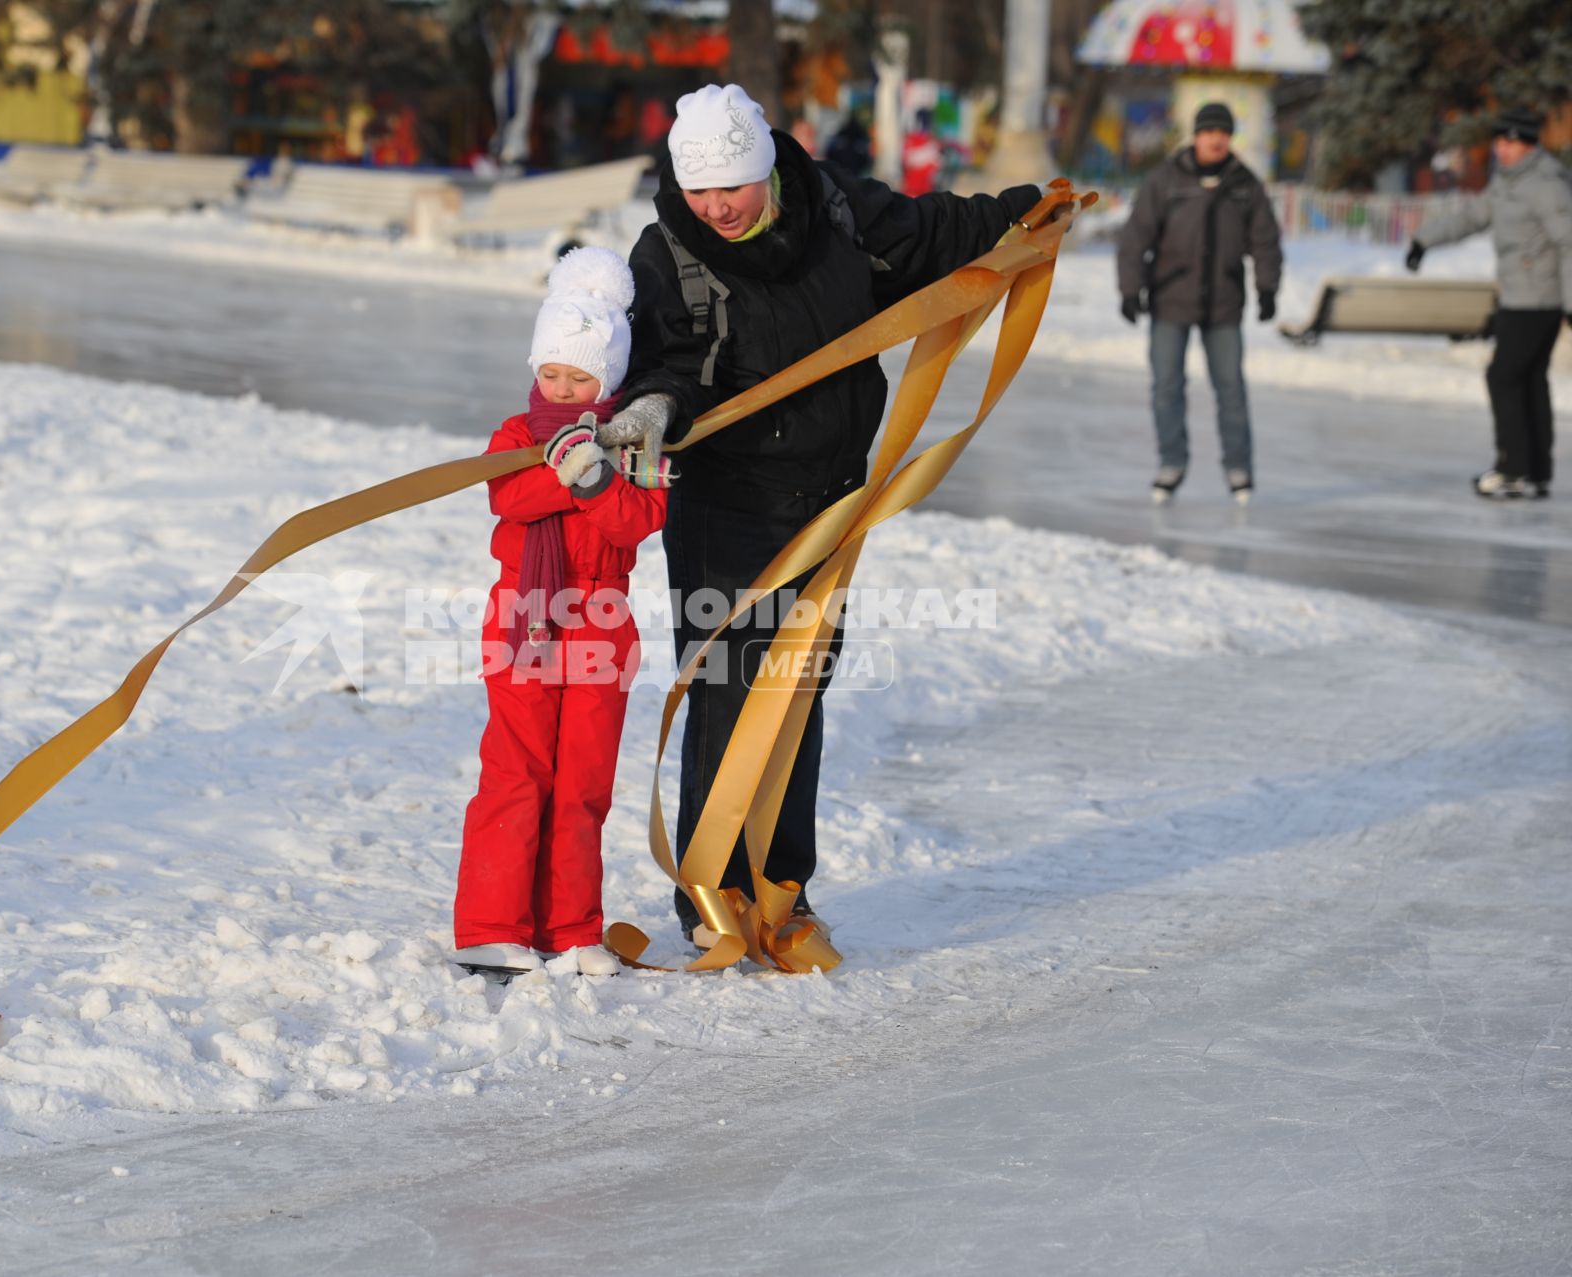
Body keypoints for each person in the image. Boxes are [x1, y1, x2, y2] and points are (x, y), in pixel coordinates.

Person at [598, 83, 1042, 947]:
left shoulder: (834, 209)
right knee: (729, 693)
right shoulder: (665, 258)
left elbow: (930, 234)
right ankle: (710, 894)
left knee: (798, 695)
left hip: (829, 504)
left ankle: (782, 886)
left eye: (734, 185)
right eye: (701, 191)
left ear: (768, 169)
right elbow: (662, 362)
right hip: (728, 505)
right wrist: (653, 405)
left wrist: (1024, 212)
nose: (719, 207)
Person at [453, 247, 672, 979]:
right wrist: (566, 466)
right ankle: (491, 924)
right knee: (516, 768)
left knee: (582, 778)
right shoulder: (517, 434)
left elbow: (638, 519)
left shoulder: (638, 438)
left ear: (608, 379)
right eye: (552, 371)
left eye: (580, 376)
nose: (562, 385)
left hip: (603, 616)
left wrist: (595, 472)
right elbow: (507, 496)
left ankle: (571, 928)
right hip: (523, 610)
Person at [1117, 101, 1283, 505]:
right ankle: (1171, 462)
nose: (1216, 139)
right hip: (1170, 298)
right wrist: (1129, 288)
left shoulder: (1244, 183)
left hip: (1223, 302)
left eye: (1223, 133)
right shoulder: (1167, 179)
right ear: (1196, 135)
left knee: (1231, 389)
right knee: (1166, 387)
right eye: (1209, 132)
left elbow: (1265, 240)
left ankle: (1238, 468)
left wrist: (1266, 288)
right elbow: (1136, 236)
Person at [1406, 107, 1572, 500]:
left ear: (1528, 145)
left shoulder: (1545, 185)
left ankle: (1513, 468)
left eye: (1510, 142)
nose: (1502, 149)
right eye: (1499, 141)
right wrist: (1423, 240)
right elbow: (1471, 217)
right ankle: (1534, 471)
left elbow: (1569, 243)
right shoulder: (1507, 184)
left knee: (1503, 377)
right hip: (1519, 297)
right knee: (1528, 380)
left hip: (1538, 300)